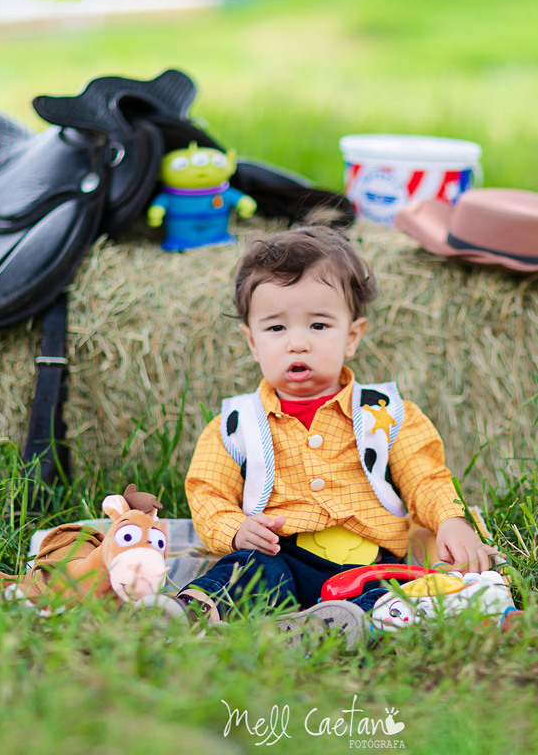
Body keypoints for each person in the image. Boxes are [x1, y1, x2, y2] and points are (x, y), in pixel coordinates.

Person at [175, 224, 496, 644]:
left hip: (371, 562)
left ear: (352, 336)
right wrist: (235, 529)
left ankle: (331, 626)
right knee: (247, 570)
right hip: (281, 555)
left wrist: (451, 520)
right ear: (252, 342)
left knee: (394, 595)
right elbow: (207, 492)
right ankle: (193, 609)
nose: (298, 344)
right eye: (276, 329)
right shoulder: (236, 424)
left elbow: (425, 477)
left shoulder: (385, 413)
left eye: (319, 326)